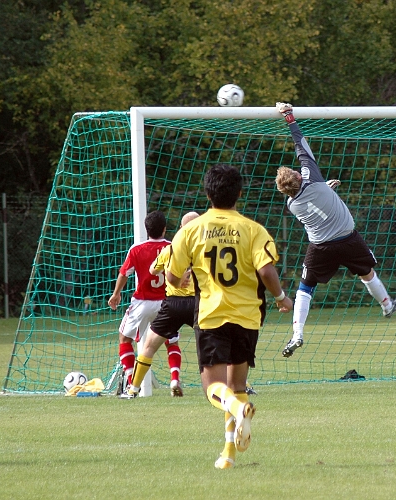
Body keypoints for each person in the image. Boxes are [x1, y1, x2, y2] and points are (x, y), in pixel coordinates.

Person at [165, 163, 293, 469]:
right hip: (248, 317)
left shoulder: (191, 230)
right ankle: (228, 455)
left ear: (207, 193)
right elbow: (266, 270)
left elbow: (171, 275)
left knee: (214, 389)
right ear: (239, 193)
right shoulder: (253, 229)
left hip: (211, 315)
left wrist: (178, 281)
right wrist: (281, 297)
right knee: (236, 385)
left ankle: (237, 409)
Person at [274, 102, 396, 358]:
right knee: (367, 273)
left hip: (320, 246)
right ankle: (387, 305)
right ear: (299, 178)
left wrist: (326, 189)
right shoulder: (311, 176)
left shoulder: (292, 205)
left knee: (305, 288)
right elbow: (301, 145)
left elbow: (313, 201)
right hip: (349, 239)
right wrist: (289, 117)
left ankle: (297, 333)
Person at [120, 211, 200, 399]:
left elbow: (152, 269)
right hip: (198, 304)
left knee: (148, 346)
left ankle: (133, 389)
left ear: (181, 228)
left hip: (171, 304)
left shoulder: (170, 250)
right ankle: (237, 384)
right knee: (216, 343)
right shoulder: (207, 250)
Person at [108, 210, 171, 393]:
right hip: (167, 302)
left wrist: (116, 294)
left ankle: (130, 380)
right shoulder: (172, 247)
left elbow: (124, 273)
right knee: (170, 341)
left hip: (142, 302)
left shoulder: (137, 249)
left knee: (124, 339)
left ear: (146, 229)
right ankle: (175, 379)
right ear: (164, 229)